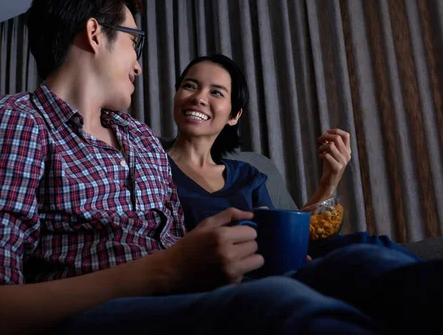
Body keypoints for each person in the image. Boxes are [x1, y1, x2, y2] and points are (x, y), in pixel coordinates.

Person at [0, 0, 438, 335]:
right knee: (280, 309)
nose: (139, 66)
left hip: (186, 296)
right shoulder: (16, 121)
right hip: (99, 314)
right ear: (96, 35)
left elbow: (183, 249)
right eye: (134, 44)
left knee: (365, 262)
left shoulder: (140, 140)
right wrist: (166, 271)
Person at [164, 54, 419, 259]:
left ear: (234, 116)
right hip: (240, 284)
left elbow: (286, 237)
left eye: (216, 92)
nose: (198, 98)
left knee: (370, 246)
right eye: (189, 86)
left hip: (282, 271)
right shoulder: (151, 167)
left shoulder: (248, 175)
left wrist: (329, 180)